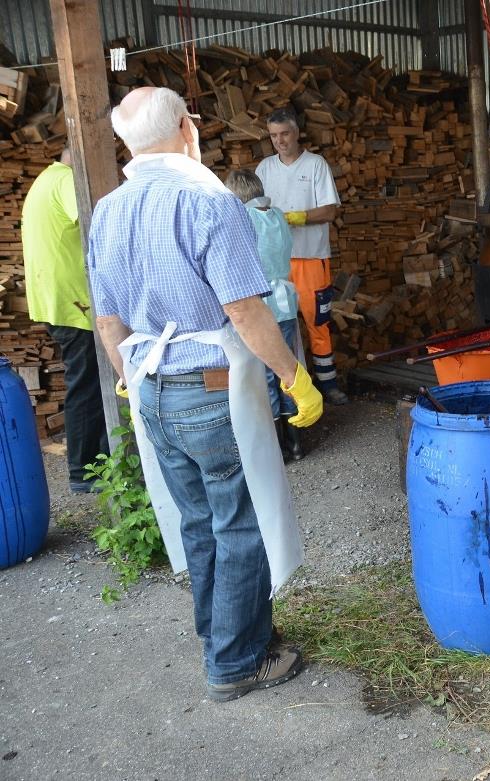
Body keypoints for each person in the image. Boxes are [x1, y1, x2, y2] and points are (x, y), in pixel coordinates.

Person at [88, 86, 324, 702]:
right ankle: (236, 662)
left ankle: (220, 631)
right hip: (210, 387)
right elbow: (244, 308)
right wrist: (294, 376)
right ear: (187, 130)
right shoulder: (208, 199)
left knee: (198, 520)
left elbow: (108, 320)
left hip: (151, 386)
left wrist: (127, 377)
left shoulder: (108, 210)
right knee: (239, 522)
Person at [21, 148, 109, 492]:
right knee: (86, 384)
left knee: (87, 380)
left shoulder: (46, 179)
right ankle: (83, 470)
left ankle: (94, 459)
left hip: (55, 299)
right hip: (73, 302)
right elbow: (96, 223)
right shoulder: (69, 181)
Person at [256, 106, 347, 405]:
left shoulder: (315, 165)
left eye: (285, 134)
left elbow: (330, 210)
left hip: (311, 257)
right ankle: (287, 388)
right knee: (276, 323)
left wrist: (298, 217)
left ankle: (328, 383)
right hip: (274, 261)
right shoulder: (265, 169)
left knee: (317, 323)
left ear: (297, 133)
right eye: (274, 136)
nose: (280, 141)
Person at [224, 169, 304, 461]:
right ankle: (296, 443)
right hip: (285, 301)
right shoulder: (278, 215)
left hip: (261, 306)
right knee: (288, 369)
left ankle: (276, 448)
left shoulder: (244, 219)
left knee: (266, 375)